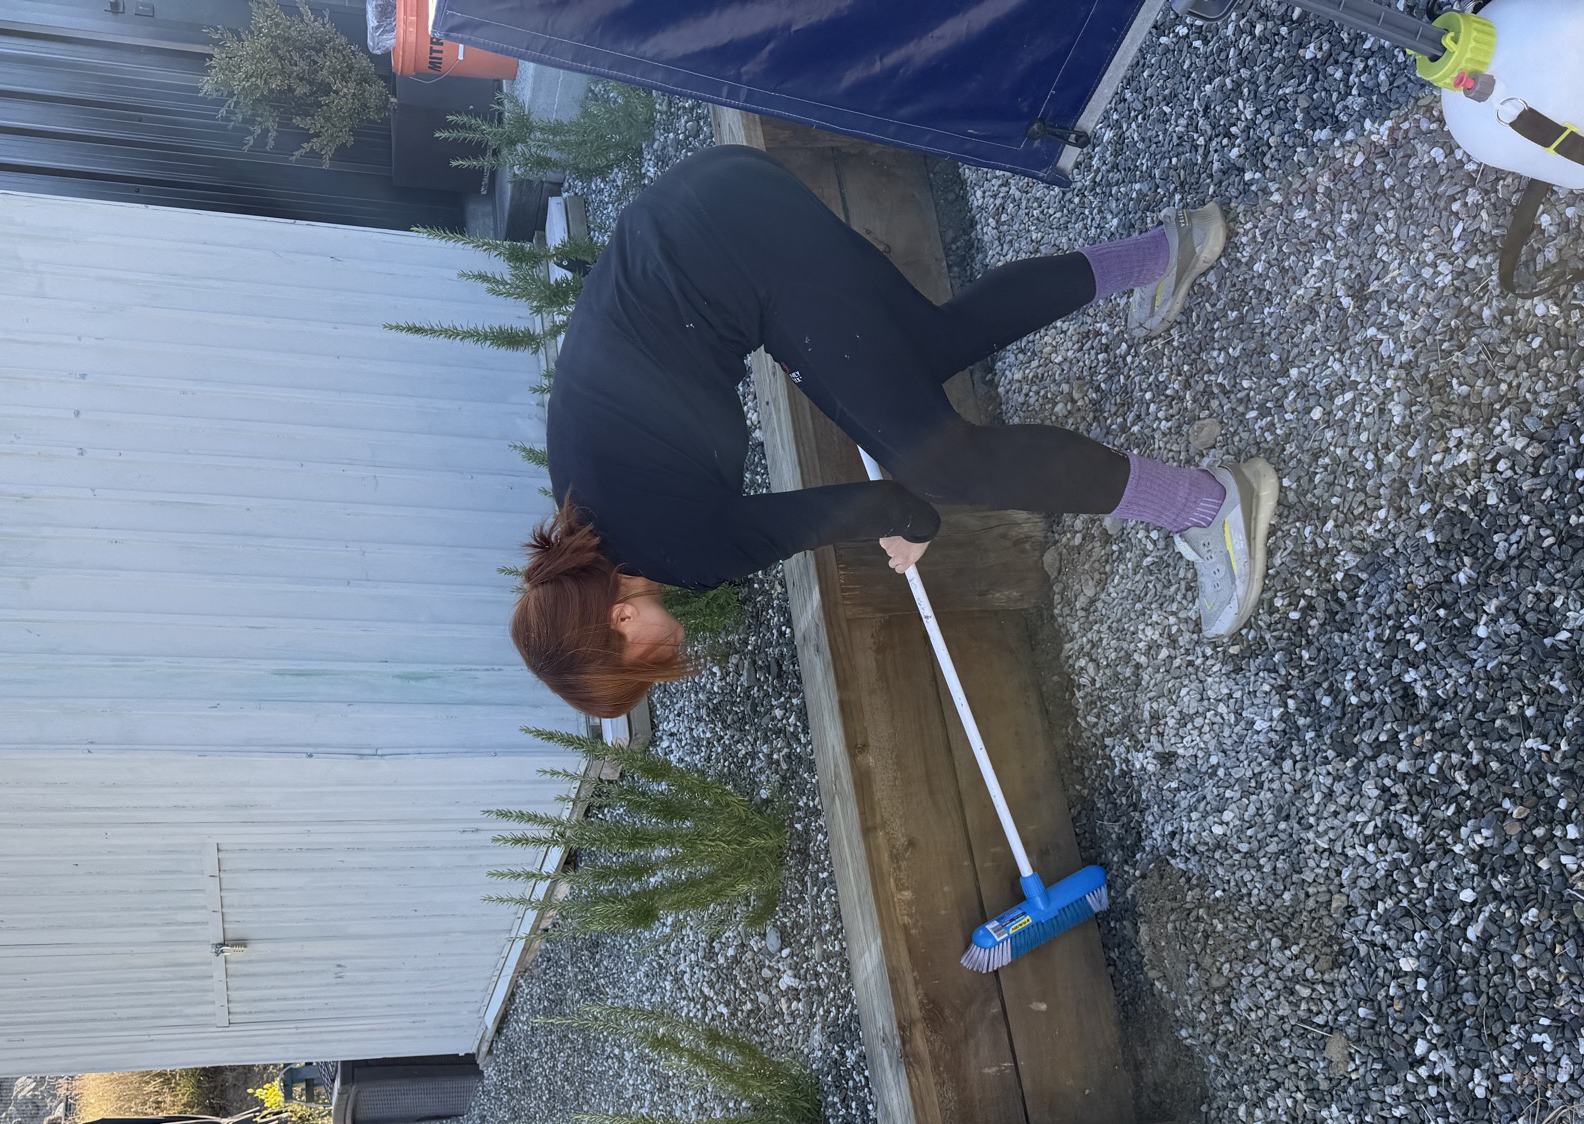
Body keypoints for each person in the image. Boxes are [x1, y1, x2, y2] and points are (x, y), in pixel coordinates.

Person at [513, 144, 1278, 717]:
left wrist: (915, 526)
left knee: (945, 467)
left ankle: (1209, 507)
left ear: (617, 617)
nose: (666, 659)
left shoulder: (681, 551)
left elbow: (866, 508)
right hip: (713, 190)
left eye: (642, 663)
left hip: (749, 261)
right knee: (931, 348)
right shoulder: (581, 501)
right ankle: (1167, 249)